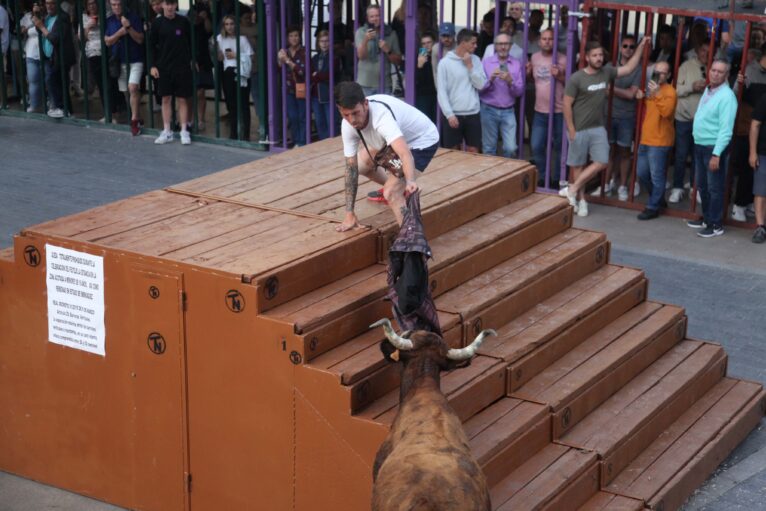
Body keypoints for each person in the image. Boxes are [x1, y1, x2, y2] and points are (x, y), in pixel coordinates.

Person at [559, 37, 649, 217]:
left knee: (602, 161)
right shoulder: (577, 78)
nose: (599, 58)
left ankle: (572, 189)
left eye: (600, 55)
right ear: (587, 58)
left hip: (598, 127)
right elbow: (566, 104)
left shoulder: (606, 72)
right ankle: (581, 201)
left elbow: (630, 67)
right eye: (595, 55)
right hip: (579, 128)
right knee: (578, 166)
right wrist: (571, 129)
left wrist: (641, 46)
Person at [334, 81, 439, 231]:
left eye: (356, 113)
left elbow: (404, 153)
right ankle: (398, 188)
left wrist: (410, 182)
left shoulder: (382, 117)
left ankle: (412, 243)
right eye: (346, 115)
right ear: (340, 110)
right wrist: (349, 214)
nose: (352, 120)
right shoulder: (348, 125)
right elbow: (351, 169)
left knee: (391, 193)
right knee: (360, 165)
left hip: (420, 142)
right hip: (390, 142)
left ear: (365, 104)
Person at [687, 59, 738, 238]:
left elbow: (726, 130)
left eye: (720, 72)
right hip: (700, 145)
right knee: (702, 185)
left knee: (714, 187)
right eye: (713, 70)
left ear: (726, 76)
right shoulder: (709, 90)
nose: (715, 73)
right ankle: (707, 218)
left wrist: (717, 154)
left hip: (713, 148)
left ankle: (715, 224)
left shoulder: (727, 96)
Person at [599, 34, 642, 201]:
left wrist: (612, 90)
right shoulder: (610, 66)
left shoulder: (638, 68)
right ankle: (607, 183)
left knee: (624, 152)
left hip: (627, 116)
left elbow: (632, 94)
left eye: (632, 46)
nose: (628, 49)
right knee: (608, 152)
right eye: (625, 46)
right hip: (608, 114)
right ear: (619, 48)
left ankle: (623, 186)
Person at [635, 61, 677, 220]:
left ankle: (653, 207)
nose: (658, 75)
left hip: (660, 141)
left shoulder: (670, 92)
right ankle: (658, 199)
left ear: (669, 75)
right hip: (646, 138)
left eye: (662, 73)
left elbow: (666, 112)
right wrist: (641, 96)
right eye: (656, 71)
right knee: (642, 172)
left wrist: (657, 93)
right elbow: (648, 106)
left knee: (656, 176)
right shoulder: (651, 89)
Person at [730, 46, 766, 222]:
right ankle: (739, 205)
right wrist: (739, 83)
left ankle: (750, 202)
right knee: (746, 167)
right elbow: (735, 94)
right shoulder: (749, 72)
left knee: (757, 170)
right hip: (746, 126)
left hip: (762, 131)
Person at [150, 0, 193, 145]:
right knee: (165, 99)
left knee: (182, 99)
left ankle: (183, 131)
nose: (169, 7)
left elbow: (191, 42)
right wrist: (152, 66)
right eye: (167, 4)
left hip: (182, 67)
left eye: (172, 4)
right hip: (163, 67)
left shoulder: (183, 22)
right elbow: (150, 46)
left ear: (176, 5)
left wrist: (192, 60)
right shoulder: (157, 23)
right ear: (162, 5)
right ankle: (167, 131)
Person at [436, 28, 486, 153]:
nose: (476, 46)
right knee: (453, 153)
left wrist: (470, 67)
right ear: (463, 42)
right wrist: (449, 114)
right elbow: (442, 91)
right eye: (473, 43)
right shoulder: (444, 63)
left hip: (472, 113)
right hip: (454, 114)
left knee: (473, 151)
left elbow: (481, 85)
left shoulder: (476, 60)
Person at [671, 42, 709, 203]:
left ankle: (696, 187)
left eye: (709, 51)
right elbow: (675, 90)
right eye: (703, 50)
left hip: (703, 121)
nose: (706, 54)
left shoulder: (715, 69)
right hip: (684, 118)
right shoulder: (686, 66)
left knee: (698, 156)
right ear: (698, 51)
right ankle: (677, 187)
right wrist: (691, 87)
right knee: (680, 155)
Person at [529, 27, 567, 188]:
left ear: (555, 41)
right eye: (544, 39)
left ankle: (557, 179)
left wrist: (560, 76)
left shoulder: (562, 58)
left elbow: (571, 83)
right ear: (539, 41)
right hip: (540, 110)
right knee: (536, 145)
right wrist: (527, 72)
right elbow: (533, 80)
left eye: (550, 39)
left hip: (558, 111)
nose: (547, 42)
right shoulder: (535, 58)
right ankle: (543, 176)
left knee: (559, 147)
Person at [479, 31, 523, 158]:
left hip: (508, 111)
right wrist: (490, 80)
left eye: (506, 44)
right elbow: (479, 89)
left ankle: (505, 175)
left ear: (510, 46)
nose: (503, 47)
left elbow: (519, 92)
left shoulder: (516, 63)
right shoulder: (486, 62)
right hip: (488, 109)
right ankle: (491, 176)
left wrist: (510, 81)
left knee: (511, 148)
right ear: (495, 46)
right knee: (489, 148)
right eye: (500, 44)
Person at [105, 0, 144, 136]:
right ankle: (137, 116)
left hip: (135, 59)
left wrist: (129, 28)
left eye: (119, 4)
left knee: (132, 88)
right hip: (119, 61)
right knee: (126, 92)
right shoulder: (109, 20)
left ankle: (134, 121)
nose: (116, 7)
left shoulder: (133, 17)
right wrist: (121, 33)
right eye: (114, 5)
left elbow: (140, 39)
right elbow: (107, 41)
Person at [31, 0, 75, 118]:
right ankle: (67, 111)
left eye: (52, 3)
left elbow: (55, 38)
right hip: (51, 57)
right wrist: (37, 17)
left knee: (51, 80)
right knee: (61, 84)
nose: (49, 6)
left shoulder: (63, 17)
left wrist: (41, 26)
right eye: (47, 3)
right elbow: (39, 30)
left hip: (61, 57)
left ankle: (60, 107)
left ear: (58, 4)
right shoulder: (48, 17)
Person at [217, 14, 252, 140]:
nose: (229, 27)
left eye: (231, 23)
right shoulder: (220, 38)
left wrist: (236, 55)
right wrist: (218, 55)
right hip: (228, 72)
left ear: (236, 24)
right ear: (223, 26)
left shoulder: (242, 39)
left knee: (244, 104)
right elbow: (218, 56)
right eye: (227, 24)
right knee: (231, 104)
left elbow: (251, 56)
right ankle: (233, 134)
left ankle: (246, 135)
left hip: (241, 72)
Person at [354, 4, 401, 96]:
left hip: (385, 84)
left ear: (382, 16)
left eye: (377, 15)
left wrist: (388, 50)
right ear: (367, 18)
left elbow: (398, 61)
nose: (375, 19)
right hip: (364, 83)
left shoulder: (391, 34)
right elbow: (361, 56)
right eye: (372, 16)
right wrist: (365, 40)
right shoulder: (361, 32)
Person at [277, 25, 306, 146]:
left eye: (296, 36)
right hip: (289, 89)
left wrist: (287, 61)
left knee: (302, 117)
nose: (294, 38)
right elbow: (279, 69)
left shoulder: (304, 51)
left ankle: (303, 141)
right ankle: (296, 140)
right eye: (291, 36)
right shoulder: (285, 51)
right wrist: (280, 59)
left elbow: (301, 71)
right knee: (293, 117)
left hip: (301, 88)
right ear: (287, 38)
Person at [189, 0, 214, 132]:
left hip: (203, 57)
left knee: (200, 91)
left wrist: (205, 18)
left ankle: (201, 119)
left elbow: (210, 30)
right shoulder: (191, 10)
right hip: (191, 57)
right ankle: (192, 119)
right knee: (191, 92)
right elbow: (190, 25)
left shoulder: (208, 12)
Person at [749, 85, 766, 243]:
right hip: (764, 152)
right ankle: (760, 227)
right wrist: (753, 152)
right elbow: (755, 124)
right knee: (761, 191)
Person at [310, 29, 335, 141]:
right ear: (318, 43)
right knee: (320, 122)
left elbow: (329, 75)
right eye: (322, 41)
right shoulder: (315, 58)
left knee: (331, 123)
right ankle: (322, 145)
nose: (324, 44)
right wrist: (319, 75)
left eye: (327, 41)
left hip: (328, 94)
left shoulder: (334, 57)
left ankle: (331, 146)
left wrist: (317, 75)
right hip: (316, 95)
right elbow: (310, 75)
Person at [19, 1, 42, 113]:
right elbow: (20, 30)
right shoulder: (27, 17)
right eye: (34, 6)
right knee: (33, 80)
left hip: (46, 52)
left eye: (38, 5)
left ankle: (50, 102)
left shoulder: (47, 16)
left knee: (48, 79)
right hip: (31, 51)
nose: (36, 7)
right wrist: (29, 26)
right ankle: (34, 104)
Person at [415, 30, 436, 123]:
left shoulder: (438, 56)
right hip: (423, 96)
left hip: (437, 94)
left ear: (434, 43)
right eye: (423, 44)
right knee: (425, 121)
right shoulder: (417, 58)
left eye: (429, 42)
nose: (426, 45)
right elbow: (415, 81)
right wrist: (419, 66)